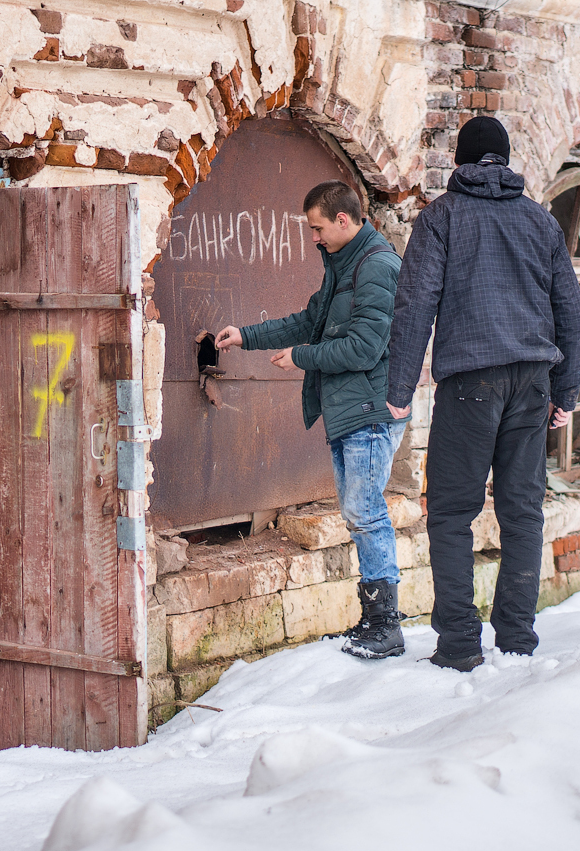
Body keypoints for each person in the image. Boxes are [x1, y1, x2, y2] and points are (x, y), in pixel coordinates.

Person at [385, 116, 580, 672]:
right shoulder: (540, 222)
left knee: (451, 514)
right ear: (504, 159)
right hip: (531, 382)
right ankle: (517, 639)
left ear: (461, 161)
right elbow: (573, 313)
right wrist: (564, 394)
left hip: (471, 383)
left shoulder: (441, 218)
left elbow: (414, 306)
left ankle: (458, 644)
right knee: (522, 513)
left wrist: (399, 390)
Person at [215, 180, 407, 659]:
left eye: (318, 228)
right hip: (350, 411)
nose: (314, 238)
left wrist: (303, 357)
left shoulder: (377, 266)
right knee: (358, 514)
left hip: (369, 411)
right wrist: (246, 336)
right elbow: (308, 322)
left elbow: (366, 347)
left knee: (366, 513)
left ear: (344, 220)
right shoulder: (343, 267)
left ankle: (386, 625)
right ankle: (373, 620)